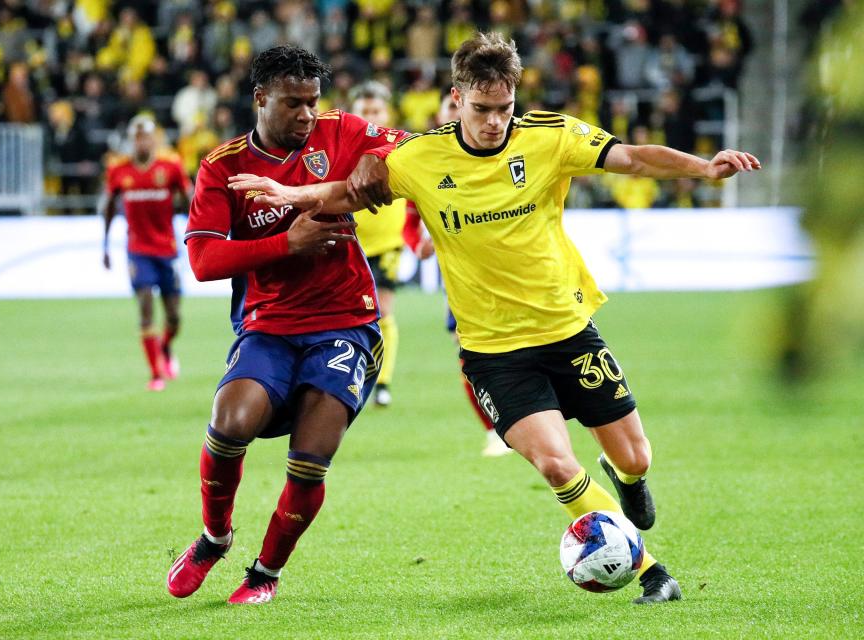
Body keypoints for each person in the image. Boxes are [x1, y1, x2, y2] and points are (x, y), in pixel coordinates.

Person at [227, 32, 762, 604]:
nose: (494, 122)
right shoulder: (421, 158)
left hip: (567, 330)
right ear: (456, 99)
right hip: (493, 352)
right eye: (481, 110)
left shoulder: (551, 136)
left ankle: (627, 478)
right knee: (557, 465)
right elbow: (348, 193)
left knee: (636, 455)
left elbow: (631, 158)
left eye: (504, 109)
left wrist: (704, 168)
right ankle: (652, 571)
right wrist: (286, 194)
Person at [166, 46, 402, 605]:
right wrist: (285, 243)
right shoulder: (223, 167)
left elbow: (408, 143)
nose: (305, 115)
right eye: (292, 103)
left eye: (312, 102)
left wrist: (377, 157)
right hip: (269, 323)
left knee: (310, 456)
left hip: (346, 321)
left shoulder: (337, 131)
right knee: (229, 423)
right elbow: (201, 261)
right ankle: (213, 538)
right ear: (259, 98)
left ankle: (265, 572)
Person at [404, 91, 510, 456]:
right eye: (448, 109)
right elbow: (410, 218)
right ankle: (496, 430)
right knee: (470, 358)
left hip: (512, 269)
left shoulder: (500, 149)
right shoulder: (427, 162)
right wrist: (419, 244)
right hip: (462, 280)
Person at [102, 114, 192, 391]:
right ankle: (155, 374)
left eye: (147, 136)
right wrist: (104, 244)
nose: (142, 142)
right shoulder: (119, 170)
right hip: (137, 250)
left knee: (174, 316)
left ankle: (164, 347)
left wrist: (197, 232)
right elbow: (108, 207)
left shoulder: (171, 165)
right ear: (132, 140)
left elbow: (190, 198)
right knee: (145, 308)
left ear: (155, 139)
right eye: (137, 137)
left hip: (167, 249)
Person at [348, 81, 410, 407]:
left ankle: (382, 383)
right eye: (364, 112)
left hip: (387, 243)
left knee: (383, 310)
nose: (371, 117)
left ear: (387, 113)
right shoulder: (341, 147)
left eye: (377, 111)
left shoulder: (401, 148)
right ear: (353, 114)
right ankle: (353, 373)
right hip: (348, 242)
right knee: (350, 313)